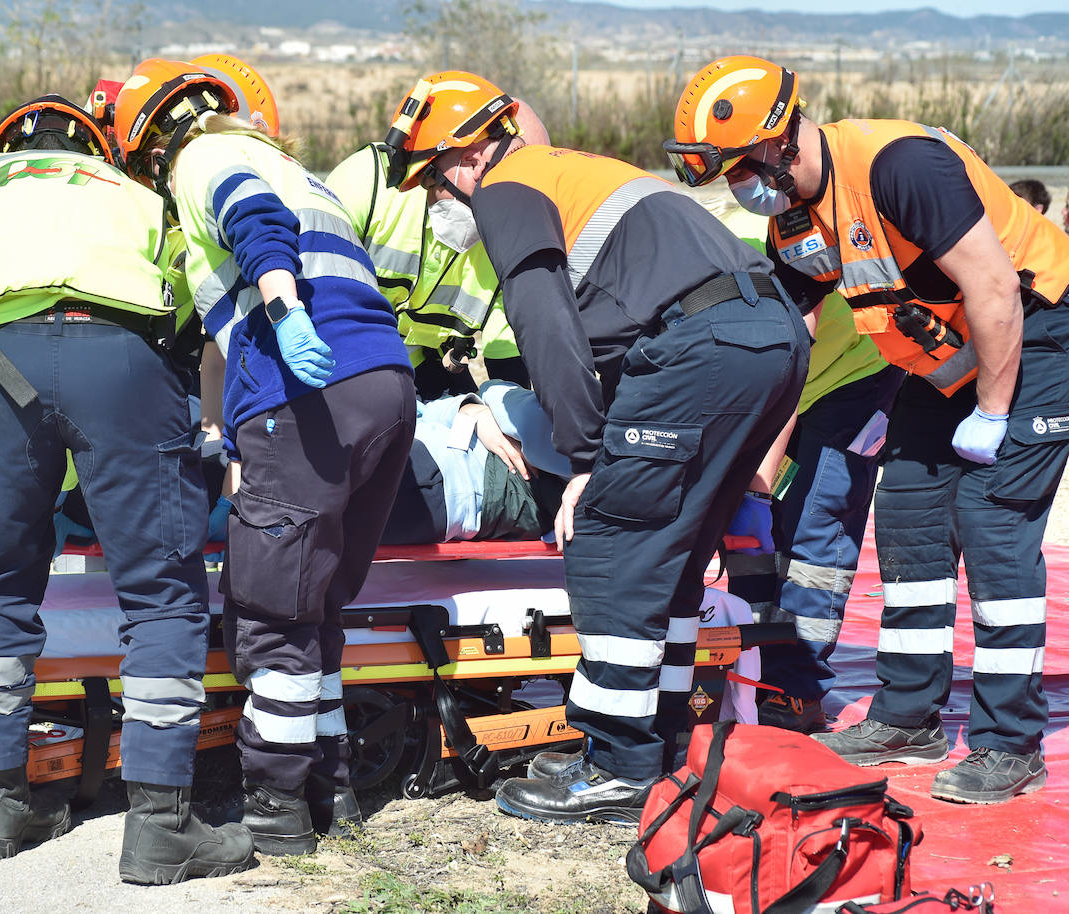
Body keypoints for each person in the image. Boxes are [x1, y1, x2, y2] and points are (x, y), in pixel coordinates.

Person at [382, 73, 808, 824]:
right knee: (672, 551)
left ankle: (615, 764)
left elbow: (547, 329)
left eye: (433, 177)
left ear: (473, 151)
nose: (434, 199)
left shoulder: (508, 186)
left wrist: (585, 461)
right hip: (766, 335)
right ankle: (662, 739)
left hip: (701, 344)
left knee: (609, 537)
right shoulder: (582, 173)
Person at [669, 55, 1069, 804]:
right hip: (943, 366)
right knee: (911, 518)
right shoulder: (795, 217)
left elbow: (991, 287)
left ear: (781, 142)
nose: (737, 187)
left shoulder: (899, 167)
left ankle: (1009, 744)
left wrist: (993, 410)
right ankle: (908, 717)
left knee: (991, 521)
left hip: (1036, 336)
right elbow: (781, 350)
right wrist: (751, 468)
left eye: (738, 167)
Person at [0, 95, 254, 880]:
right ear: (97, 150)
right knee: (161, 595)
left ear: (5, 146)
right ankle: (161, 824)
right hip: (121, 358)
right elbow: (187, 318)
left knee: (1, 587)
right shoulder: (138, 195)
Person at [113, 58, 415, 855]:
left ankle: (277, 811)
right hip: (382, 385)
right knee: (316, 603)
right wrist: (222, 432)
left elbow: (253, 225)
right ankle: (333, 786)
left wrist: (283, 311)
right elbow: (221, 345)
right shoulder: (302, 172)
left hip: (309, 390)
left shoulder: (202, 160)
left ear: (148, 146)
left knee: (273, 608)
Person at [710, 206, 906, 733]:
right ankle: (743, 659)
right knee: (752, 525)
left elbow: (784, 383)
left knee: (815, 525)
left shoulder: (771, 263)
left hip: (856, 375)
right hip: (784, 374)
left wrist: (754, 488)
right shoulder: (683, 280)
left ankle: (796, 687)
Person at [325, 75, 546, 399]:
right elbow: (319, 303)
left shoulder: (513, 238)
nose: (520, 197)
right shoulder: (366, 184)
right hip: (340, 356)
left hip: (424, 362)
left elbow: (508, 360)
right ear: (473, 161)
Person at [381, 381, 569, 545]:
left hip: (458, 479)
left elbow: (500, 393)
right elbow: (421, 410)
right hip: (451, 468)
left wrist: (476, 409)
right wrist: (470, 408)